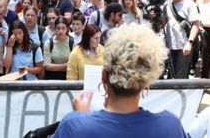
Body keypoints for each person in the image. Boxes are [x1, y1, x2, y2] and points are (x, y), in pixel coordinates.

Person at [53, 23, 187, 138]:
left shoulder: (72, 126)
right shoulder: (170, 127)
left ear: (104, 76)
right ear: (147, 81)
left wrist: (79, 119)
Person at [160, 0, 200, 79]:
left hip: (183, 46)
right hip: (169, 46)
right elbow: (164, 22)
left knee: (180, 78)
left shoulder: (190, 5)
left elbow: (196, 24)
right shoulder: (167, 4)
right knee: (170, 77)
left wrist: (190, 43)